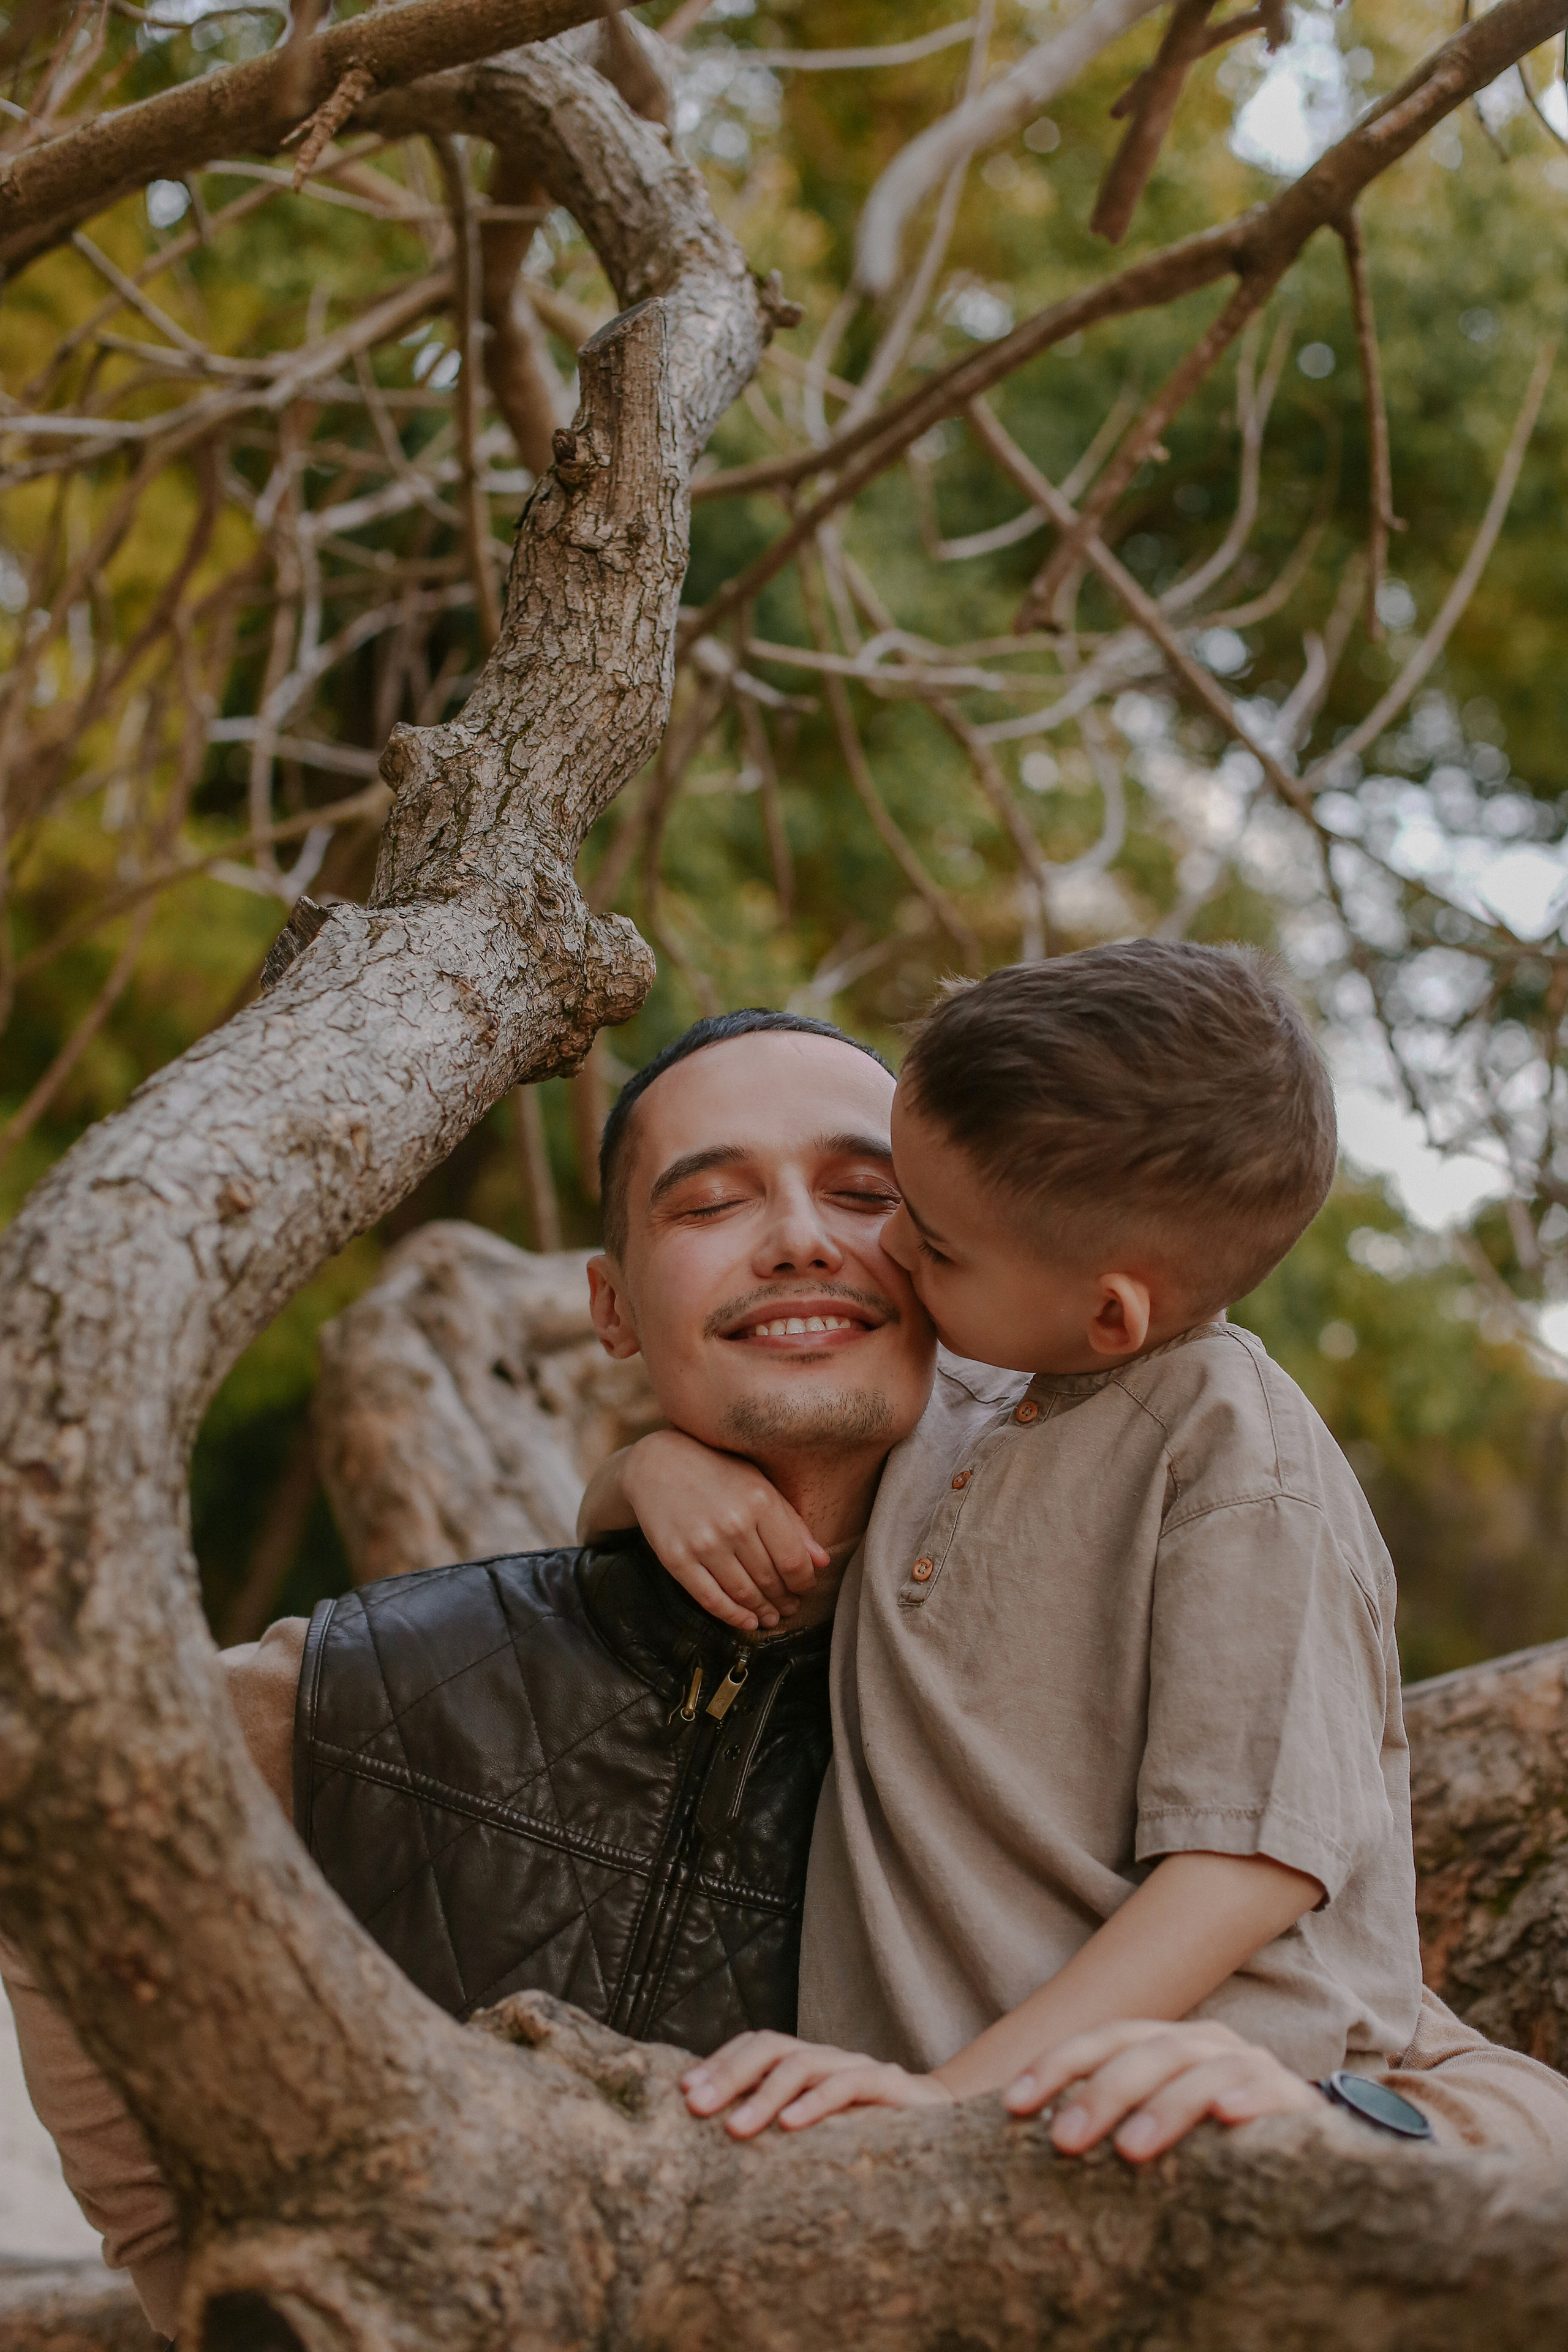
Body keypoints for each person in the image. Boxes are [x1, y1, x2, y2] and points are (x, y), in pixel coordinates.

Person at [4, 1004, 1565, 2345]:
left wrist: (1358, 2137)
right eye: (709, 1202)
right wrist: (192, 2275)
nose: (806, 1236)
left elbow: (1381, 2028)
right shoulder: (404, 1679)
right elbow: (62, 1823)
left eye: (871, 1195)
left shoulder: (1102, 1487)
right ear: (607, 1310)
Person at [579, 956, 1568, 2168]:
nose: (883, 1246)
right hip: (946, 2143)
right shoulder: (947, 1418)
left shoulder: (1230, 1459)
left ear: (1109, 1316)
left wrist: (954, 2099)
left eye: (929, 1238)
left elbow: (1247, 1867)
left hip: (1197, 2126)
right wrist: (641, 1475)